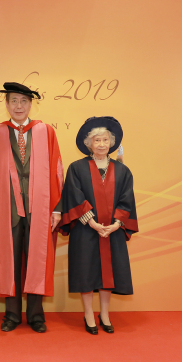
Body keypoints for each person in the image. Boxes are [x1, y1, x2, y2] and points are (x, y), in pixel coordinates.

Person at [0, 82, 64, 333]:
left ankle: (37, 315)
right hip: (6, 209)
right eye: (14, 101)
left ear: (31, 104)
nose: (19, 106)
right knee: (9, 260)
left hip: (40, 207)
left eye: (23, 101)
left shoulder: (45, 131)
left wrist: (56, 208)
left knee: (38, 258)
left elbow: (57, 169)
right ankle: (12, 315)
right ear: (6, 105)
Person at [59, 116, 138, 335]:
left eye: (105, 140)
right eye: (97, 140)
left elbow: (127, 199)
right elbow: (74, 196)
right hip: (86, 230)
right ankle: (88, 314)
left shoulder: (123, 171)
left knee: (108, 274)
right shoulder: (77, 168)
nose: (101, 144)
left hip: (113, 231)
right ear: (88, 144)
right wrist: (93, 222)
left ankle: (104, 314)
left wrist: (115, 224)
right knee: (86, 272)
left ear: (111, 143)